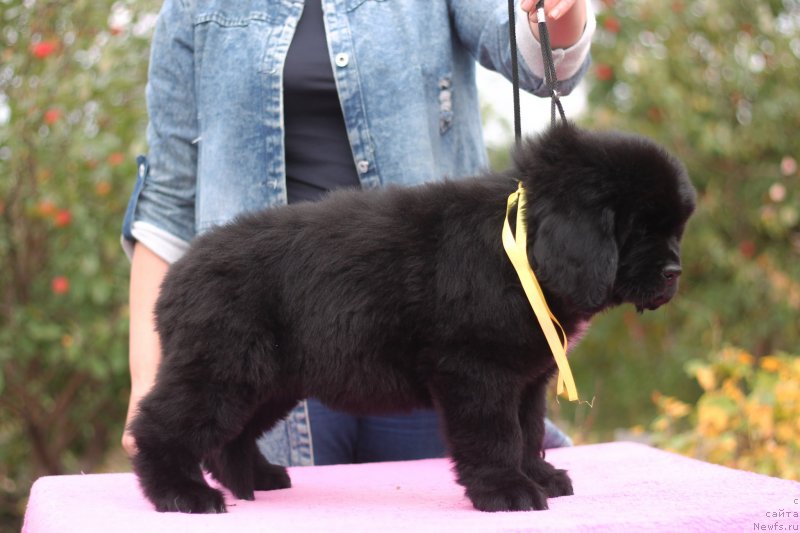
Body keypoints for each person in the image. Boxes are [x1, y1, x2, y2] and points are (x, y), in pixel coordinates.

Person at [122, 0, 596, 466]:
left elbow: (538, 60)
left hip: (435, 328)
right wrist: (149, 381)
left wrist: (559, 10)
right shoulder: (192, 6)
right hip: (279, 330)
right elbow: (168, 199)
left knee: (475, 502)